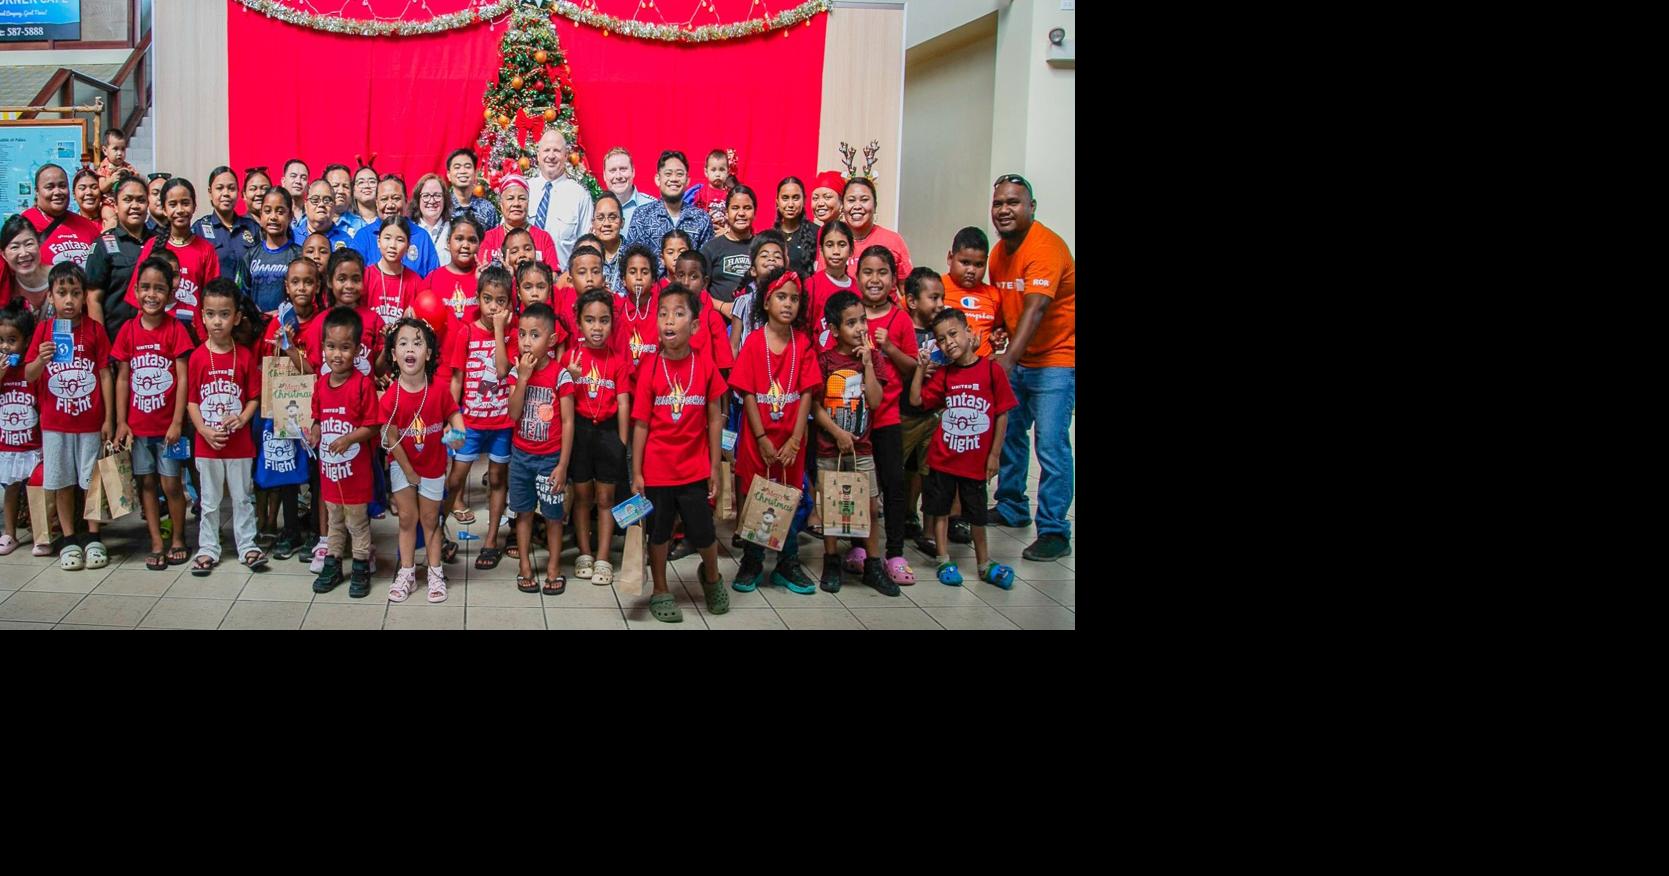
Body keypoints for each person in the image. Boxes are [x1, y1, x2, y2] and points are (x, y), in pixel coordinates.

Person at [987, 175, 1076, 561]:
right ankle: (1011, 506)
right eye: (998, 204)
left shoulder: (1046, 247)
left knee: (1051, 445)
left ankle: (1055, 529)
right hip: (1020, 359)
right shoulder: (998, 253)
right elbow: (1004, 308)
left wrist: (1007, 362)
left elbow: (1036, 308)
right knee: (1011, 436)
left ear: (1032, 207)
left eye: (1013, 202)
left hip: (1056, 359)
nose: (1004, 210)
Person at [630, 285, 728, 623]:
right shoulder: (650, 368)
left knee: (703, 531)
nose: (669, 320)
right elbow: (640, 424)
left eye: (679, 313)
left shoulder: (705, 366)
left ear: (696, 325)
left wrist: (715, 465)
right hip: (657, 469)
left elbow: (714, 417)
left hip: (695, 468)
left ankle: (712, 576)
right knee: (659, 532)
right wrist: (637, 472)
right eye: (663, 313)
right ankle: (660, 588)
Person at [727, 268, 823, 595]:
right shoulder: (754, 342)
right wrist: (761, 439)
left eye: (795, 299)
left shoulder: (804, 344)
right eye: (781, 297)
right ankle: (752, 561)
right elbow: (748, 394)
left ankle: (787, 562)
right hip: (759, 442)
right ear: (766, 302)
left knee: (790, 499)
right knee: (758, 500)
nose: (788, 304)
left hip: (791, 444)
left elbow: (808, 393)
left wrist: (796, 440)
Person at [909, 307, 1018, 589]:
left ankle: (984, 563)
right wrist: (921, 369)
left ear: (971, 333)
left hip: (975, 463)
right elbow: (917, 400)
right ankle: (944, 559)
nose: (949, 343)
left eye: (954, 334)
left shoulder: (992, 371)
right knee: (940, 511)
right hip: (943, 460)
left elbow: (1002, 414)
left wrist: (994, 455)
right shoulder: (944, 375)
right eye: (942, 339)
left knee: (977, 515)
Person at [25, 262, 114, 571]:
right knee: (62, 481)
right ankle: (69, 537)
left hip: (90, 423)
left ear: (83, 297)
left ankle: (93, 536)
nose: (69, 301)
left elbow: (105, 375)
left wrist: (109, 419)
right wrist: (40, 358)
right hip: (55, 423)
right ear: (50, 296)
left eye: (75, 293)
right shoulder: (43, 331)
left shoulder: (95, 330)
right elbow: (29, 374)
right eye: (62, 293)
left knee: (91, 480)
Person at [112, 256, 195, 570]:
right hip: (138, 427)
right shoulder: (128, 331)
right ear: (135, 290)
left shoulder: (176, 330)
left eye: (159, 288)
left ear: (171, 294)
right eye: (145, 287)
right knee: (147, 484)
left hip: (168, 428)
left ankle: (178, 538)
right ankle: (156, 542)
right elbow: (122, 378)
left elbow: (183, 377)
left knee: (172, 484)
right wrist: (121, 422)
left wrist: (177, 421)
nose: (151, 294)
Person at [379, 317, 465, 603]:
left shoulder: (438, 390)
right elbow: (391, 438)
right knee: (407, 519)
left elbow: (453, 414)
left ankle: (435, 571)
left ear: (428, 353)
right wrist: (408, 472)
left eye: (417, 343)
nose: (410, 349)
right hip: (403, 467)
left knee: (430, 519)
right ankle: (406, 573)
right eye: (402, 343)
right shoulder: (391, 397)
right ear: (394, 355)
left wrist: (458, 429)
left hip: (433, 466)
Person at [810, 290, 890, 594]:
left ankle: (873, 564)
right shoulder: (825, 361)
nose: (860, 329)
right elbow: (814, 407)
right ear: (833, 329)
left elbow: (876, 400)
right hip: (830, 448)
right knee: (832, 507)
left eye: (862, 321)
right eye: (851, 323)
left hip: (863, 449)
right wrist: (838, 433)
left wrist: (869, 363)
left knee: (869, 507)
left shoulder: (873, 359)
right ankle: (831, 560)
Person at [848, 246, 918, 587]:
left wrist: (889, 347)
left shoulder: (900, 318)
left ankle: (894, 551)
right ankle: (859, 548)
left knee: (892, 484)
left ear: (893, 279)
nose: (874, 279)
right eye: (868, 272)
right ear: (856, 276)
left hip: (888, 417)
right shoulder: (850, 315)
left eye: (882, 273)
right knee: (858, 486)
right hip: (855, 423)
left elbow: (911, 367)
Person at [187, 278, 265, 575]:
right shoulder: (197, 357)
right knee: (208, 501)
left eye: (223, 314)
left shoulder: (243, 356)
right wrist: (204, 431)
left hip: (240, 444)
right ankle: (208, 547)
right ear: (202, 315)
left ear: (236, 317)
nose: (216, 322)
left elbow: (255, 397)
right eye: (210, 314)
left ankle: (247, 545)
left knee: (243, 496)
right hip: (208, 445)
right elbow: (192, 402)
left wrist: (243, 419)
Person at [442, 264, 513, 568]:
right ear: (477, 298)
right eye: (488, 299)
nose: (493, 307)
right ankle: (436, 531)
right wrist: (451, 416)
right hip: (468, 422)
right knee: (456, 479)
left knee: (497, 479)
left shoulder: (512, 332)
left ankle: (491, 539)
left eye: (501, 301)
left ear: (509, 303)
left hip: (502, 424)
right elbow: (456, 379)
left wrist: (499, 330)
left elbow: (501, 370)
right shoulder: (466, 331)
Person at [309, 306, 380, 597]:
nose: (337, 355)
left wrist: (349, 439)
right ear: (323, 347)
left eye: (345, 348)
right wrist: (314, 432)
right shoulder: (321, 385)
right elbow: (317, 418)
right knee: (334, 523)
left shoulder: (363, 385)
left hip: (356, 476)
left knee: (357, 524)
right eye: (330, 347)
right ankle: (333, 563)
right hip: (329, 473)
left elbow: (373, 427)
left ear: (358, 350)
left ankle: (361, 567)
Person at [563, 288, 632, 587]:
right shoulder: (570, 357)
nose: (597, 327)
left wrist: (623, 443)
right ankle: (585, 552)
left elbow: (625, 402)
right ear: (579, 323)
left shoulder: (617, 360)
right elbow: (561, 399)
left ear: (611, 324)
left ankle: (604, 556)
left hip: (607, 434)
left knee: (605, 498)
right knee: (581, 497)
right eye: (590, 320)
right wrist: (571, 376)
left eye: (603, 321)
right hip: (579, 432)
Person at [505, 302, 575, 596]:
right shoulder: (515, 372)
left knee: (553, 516)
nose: (526, 341)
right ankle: (524, 566)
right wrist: (522, 378)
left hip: (550, 460)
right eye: (522, 334)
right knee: (522, 514)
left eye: (534, 335)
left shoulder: (561, 376)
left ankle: (554, 568)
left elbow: (569, 423)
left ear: (552, 340)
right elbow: (512, 413)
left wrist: (562, 465)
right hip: (521, 457)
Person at [124, 177, 221, 341]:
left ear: (194, 206)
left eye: (185, 203)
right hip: (157, 336)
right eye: (173, 204)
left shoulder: (206, 250)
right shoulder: (152, 246)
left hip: (195, 337)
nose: (180, 209)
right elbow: (138, 297)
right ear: (164, 209)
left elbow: (214, 300)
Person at [900, 267, 946, 553]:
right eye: (934, 297)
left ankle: (929, 532)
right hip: (904, 412)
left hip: (934, 414)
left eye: (942, 297)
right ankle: (905, 515)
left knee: (930, 473)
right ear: (913, 301)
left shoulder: (942, 332)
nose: (940, 304)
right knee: (903, 471)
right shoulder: (903, 329)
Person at [0, 300, 43, 557]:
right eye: (1, 340)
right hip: (7, 445)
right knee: (10, 489)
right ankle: (9, 533)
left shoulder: (30, 372)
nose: (5, 346)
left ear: (26, 341)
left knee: (35, 490)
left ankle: (41, 535)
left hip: (32, 445)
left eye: (12, 340)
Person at [621, 151, 713, 269]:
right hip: (653, 286)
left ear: (688, 180)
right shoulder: (642, 216)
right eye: (668, 174)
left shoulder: (701, 219)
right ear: (658, 179)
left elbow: (706, 265)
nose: (674, 179)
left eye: (679, 174)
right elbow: (631, 261)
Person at [819, 177, 912, 281]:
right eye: (851, 200)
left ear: (875, 205)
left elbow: (907, 290)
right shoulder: (832, 240)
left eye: (864, 200)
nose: (857, 206)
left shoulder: (893, 240)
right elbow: (823, 283)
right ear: (842, 205)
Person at [524, 130, 593, 267]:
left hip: (562, 281)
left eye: (557, 151)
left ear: (566, 156)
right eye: (546, 150)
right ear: (538, 155)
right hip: (523, 278)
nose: (551, 156)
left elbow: (586, 247)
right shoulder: (524, 190)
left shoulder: (580, 196)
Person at [350, 176, 440, 277]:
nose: (390, 205)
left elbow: (434, 278)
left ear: (406, 201)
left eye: (396, 198)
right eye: (384, 199)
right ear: (376, 203)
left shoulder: (421, 236)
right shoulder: (363, 236)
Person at [23, 164, 103, 268]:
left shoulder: (87, 226)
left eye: (62, 186)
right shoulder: (25, 223)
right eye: (50, 187)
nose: (57, 192)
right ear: (37, 192)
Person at [942, 227, 1005, 358]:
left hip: (983, 369)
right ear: (950, 258)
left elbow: (998, 328)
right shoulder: (936, 287)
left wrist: (997, 336)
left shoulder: (993, 295)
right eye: (965, 262)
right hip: (944, 369)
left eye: (979, 265)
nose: (971, 270)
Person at [193, 166, 262, 283]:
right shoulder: (200, 229)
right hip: (214, 299)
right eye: (219, 188)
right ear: (210, 193)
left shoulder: (252, 227)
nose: (226, 193)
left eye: (231, 188)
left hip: (245, 300)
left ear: (238, 192)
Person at [242, 188, 303, 314]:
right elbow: (241, 296)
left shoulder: (299, 255)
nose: (273, 217)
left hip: (288, 327)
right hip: (257, 328)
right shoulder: (250, 256)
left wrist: (282, 314)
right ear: (261, 214)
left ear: (290, 216)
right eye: (268, 211)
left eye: (280, 212)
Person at [480, 174, 560, 270]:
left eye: (522, 198)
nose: (516, 204)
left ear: (528, 202)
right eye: (510, 198)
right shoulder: (488, 238)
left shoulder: (544, 238)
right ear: (501, 204)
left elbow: (554, 276)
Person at [363, 216, 426, 333]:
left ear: (408, 246)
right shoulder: (365, 276)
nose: (392, 245)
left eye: (400, 240)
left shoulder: (415, 281)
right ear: (378, 242)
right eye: (387, 238)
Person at [699, 184, 758, 302]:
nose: (741, 213)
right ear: (726, 212)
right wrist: (722, 307)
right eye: (735, 208)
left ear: (755, 212)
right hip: (719, 318)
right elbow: (699, 293)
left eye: (747, 208)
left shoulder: (762, 248)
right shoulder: (710, 249)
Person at [805, 220, 854, 343]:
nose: (836, 251)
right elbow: (803, 330)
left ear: (851, 250)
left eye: (842, 245)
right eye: (830, 245)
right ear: (821, 250)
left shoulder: (858, 288)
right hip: (818, 359)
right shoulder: (811, 285)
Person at [430, 214, 484, 321]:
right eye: (459, 239)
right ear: (448, 242)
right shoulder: (433, 278)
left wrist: (483, 284)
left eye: (472, 240)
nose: (465, 245)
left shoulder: (485, 278)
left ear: (479, 245)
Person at [601, 147, 656, 239]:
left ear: (633, 172)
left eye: (623, 169)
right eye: (613, 170)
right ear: (604, 175)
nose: (618, 176)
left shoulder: (652, 207)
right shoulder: (596, 210)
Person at [1, 215, 51, 314]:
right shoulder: (5, 285)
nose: (23, 253)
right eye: (15, 247)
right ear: (4, 255)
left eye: (29, 244)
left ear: (39, 244)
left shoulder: (61, 276)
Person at [291, 179, 356, 251]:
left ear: (334, 206)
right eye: (315, 200)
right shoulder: (291, 237)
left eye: (327, 200)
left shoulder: (346, 240)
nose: (321, 204)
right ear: (306, 206)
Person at [445, 148, 500, 230]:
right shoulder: (443, 207)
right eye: (457, 167)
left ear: (475, 173)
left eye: (467, 167)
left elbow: (495, 240)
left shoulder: (487, 209)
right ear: (449, 175)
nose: (462, 171)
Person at [94, 128, 139, 227]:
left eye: (123, 149)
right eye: (115, 149)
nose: (119, 153)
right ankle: (107, 234)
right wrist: (111, 180)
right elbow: (102, 187)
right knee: (111, 219)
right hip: (108, 203)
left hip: (124, 203)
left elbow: (138, 180)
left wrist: (130, 176)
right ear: (105, 151)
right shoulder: (103, 166)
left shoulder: (127, 167)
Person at [774, 176, 817, 279]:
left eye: (796, 198)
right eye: (785, 198)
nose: (790, 204)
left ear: (804, 201)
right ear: (777, 202)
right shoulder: (770, 236)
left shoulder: (817, 233)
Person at [684, 148, 733, 236]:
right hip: (704, 233)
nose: (717, 174)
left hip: (724, 234)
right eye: (713, 170)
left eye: (722, 170)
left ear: (728, 172)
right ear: (706, 172)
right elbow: (694, 216)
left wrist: (727, 230)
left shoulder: (731, 195)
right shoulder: (700, 193)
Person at [409, 173, 453, 269]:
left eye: (437, 195)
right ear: (418, 199)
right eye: (426, 195)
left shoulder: (454, 229)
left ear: (445, 199)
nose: (432, 201)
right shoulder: (408, 230)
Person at [590, 193, 627, 294]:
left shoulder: (632, 255)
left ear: (622, 222)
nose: (606, 224)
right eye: (600, 218)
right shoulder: (585, 254)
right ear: (593, 223)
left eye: (612, 217)